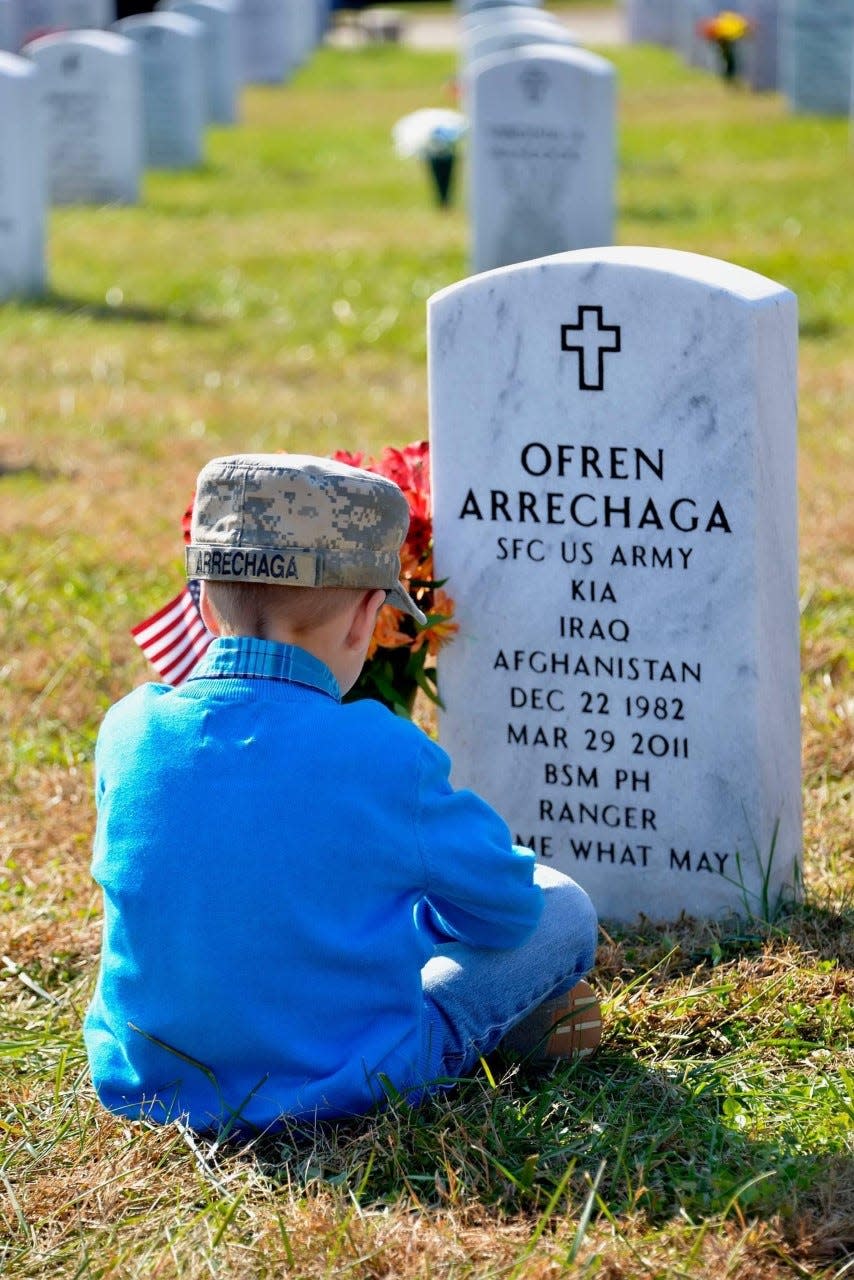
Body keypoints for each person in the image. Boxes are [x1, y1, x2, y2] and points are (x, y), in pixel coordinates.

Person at [84, 453, 600, 1137]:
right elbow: (505, 915)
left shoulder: (128, 729)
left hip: (152, 1077)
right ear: (366, 617)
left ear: (205, 603)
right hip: (345, 1078)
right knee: (562, 905)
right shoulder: (386, 753)